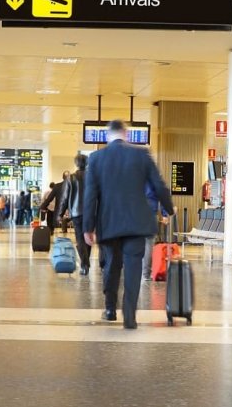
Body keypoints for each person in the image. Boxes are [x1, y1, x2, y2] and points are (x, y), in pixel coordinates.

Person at [83, 120, 173, 330]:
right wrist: (169, 208)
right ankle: (130, 315)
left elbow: (90, 195)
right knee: (133, 267)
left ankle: (109, 309)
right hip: (136, 221)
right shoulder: (141, 155)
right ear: (126, 134)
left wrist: (88, 226)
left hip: (109, 222)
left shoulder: (96, 158)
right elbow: (159, 185)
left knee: (111, 266)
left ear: (108, 135)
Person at [62, 154, 92, 275]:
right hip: (90, 212)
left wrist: (60, 213)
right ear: (87, 163)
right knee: (88, 237)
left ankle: (85, 264)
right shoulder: (92, 176)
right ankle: (86, 262)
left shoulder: (71, 178)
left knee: (80, 239)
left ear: (76, 164)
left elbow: (65, 197)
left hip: (76, 212)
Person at [143, 183, 172, 281]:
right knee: (148, 244)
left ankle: (133, 272)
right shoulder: (153, 178)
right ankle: (146, 274)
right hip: (150, 214)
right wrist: (164, 214)